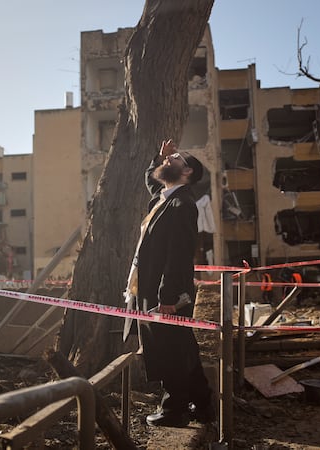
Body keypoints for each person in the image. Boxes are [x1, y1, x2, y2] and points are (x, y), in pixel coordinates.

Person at [123, 139, 213, 427]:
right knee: (182, 346)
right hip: (155, 289)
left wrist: (168, 296)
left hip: (167, 294)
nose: (167, 160)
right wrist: (157, 157)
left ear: (187, 171)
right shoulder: (165, 196)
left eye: (174, 158)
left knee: (169, 349)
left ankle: (174, 411)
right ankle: (203, 405)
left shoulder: (182, 204)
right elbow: (152, 180)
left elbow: (179, 256)